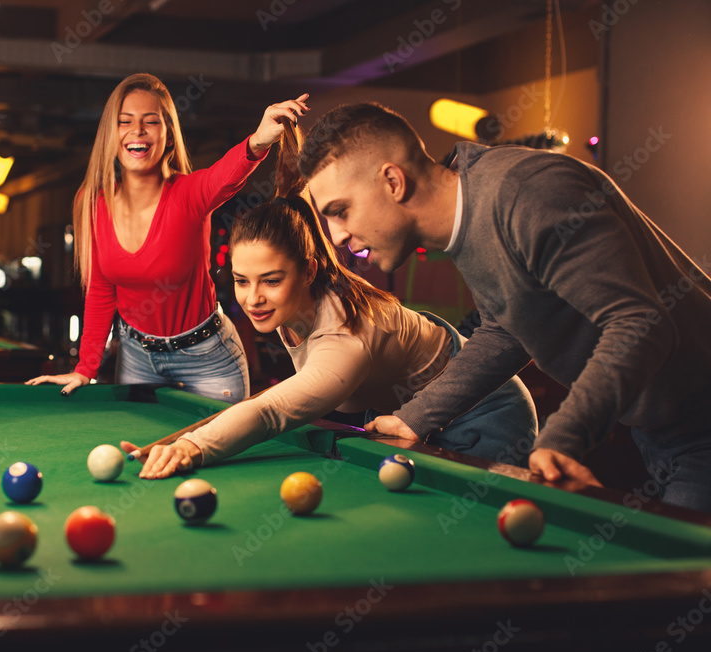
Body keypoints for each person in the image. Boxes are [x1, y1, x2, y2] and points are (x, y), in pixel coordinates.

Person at [299, 102, 711, 512]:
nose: (335, 236)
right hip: (661, 426)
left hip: (700, 421)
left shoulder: (526, 193)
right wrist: (416, 417)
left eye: (340, 211)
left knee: (683, 577)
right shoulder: (469, 216)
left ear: (392, 181)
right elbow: (508, 329)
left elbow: (640, 323)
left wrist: (563, 436)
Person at [121, 123, 537, 479]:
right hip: (419, 414)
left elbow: (269, 412)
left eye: (270, 280)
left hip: (484, 414)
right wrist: (179, 441)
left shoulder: (344, 337)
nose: (253, 299)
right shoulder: (296, 294)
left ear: (309, 270)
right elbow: (296, 201)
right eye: (241, 281)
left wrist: (194, 448)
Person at [27, 73, 309, 404]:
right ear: (110, 135)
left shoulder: (188, 194)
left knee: (214, 454)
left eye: (151, 122)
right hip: (137, 359)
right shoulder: (91, 202)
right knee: (138, 454)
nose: (137, 131)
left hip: (207, 358)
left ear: (169, 136)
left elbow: (225, 176)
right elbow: (101, 290)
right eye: (125, 121)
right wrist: (85, 369)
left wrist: (258, 141)